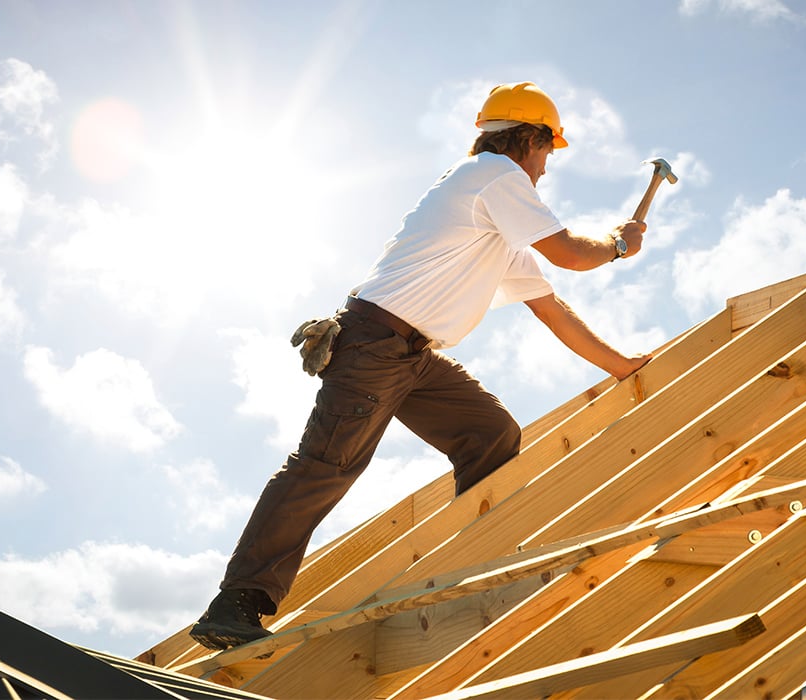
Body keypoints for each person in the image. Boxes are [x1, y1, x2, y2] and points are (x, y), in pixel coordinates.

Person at [190, 82, 652, 650]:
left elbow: (551, 308)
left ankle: (475, 557)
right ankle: (237, 603)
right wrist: (620, 244)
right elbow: (575, 255)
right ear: (528, 140)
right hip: (374, 344)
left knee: (491, 433)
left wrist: (623, 366)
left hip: (412, 354)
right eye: (548, 152)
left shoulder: (497, 216)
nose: (547, 169)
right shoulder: (495, 179)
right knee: (325, 467)